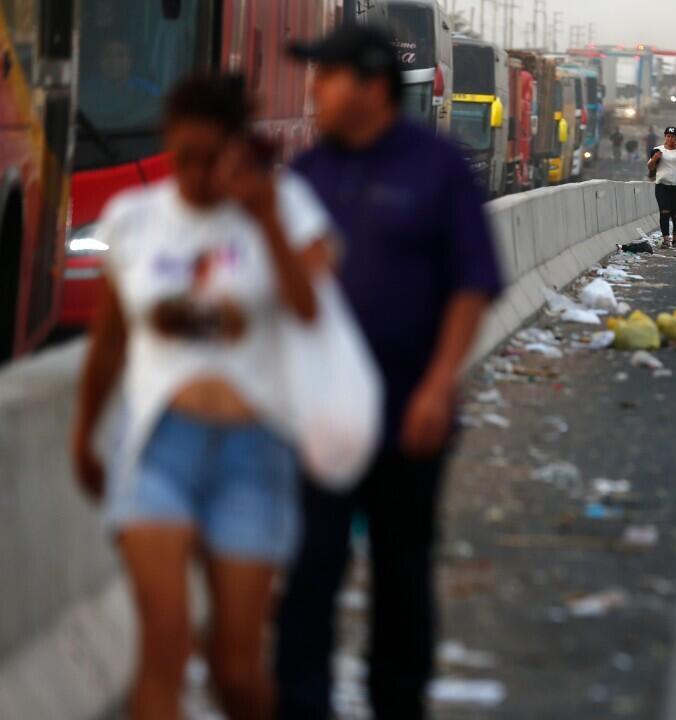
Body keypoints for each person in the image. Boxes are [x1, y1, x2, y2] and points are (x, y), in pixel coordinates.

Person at [72, 74, 331, 720]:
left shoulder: (283, 211)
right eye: (183, 156)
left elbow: (312, 315)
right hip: (158, 450)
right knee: (163, 646)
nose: (194, 174)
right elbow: (109, 342)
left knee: (235, 671)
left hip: (255, 456)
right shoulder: (134, 220)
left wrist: (265, 220)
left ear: (236, 149)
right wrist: (84, 433)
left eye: (210, 158)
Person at [277, 26, 503, 719]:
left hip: (411, 413)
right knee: (309, 574)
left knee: (401, 577)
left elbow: (473, 283)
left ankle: (396, 705)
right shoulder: (306, 175)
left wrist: (440, 385)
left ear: (372, 87)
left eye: (327, 78)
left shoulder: (436, 167)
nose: (313, 93)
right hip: (322, 419)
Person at [648, 126, 676, 249]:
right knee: (665, 212)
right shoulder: (658, 150)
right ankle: (666, 239)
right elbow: (650, 167)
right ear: (665, 137)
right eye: (668, 136)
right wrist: (654, 159)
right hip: (662, 186)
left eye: (673, 137)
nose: (670, 139)